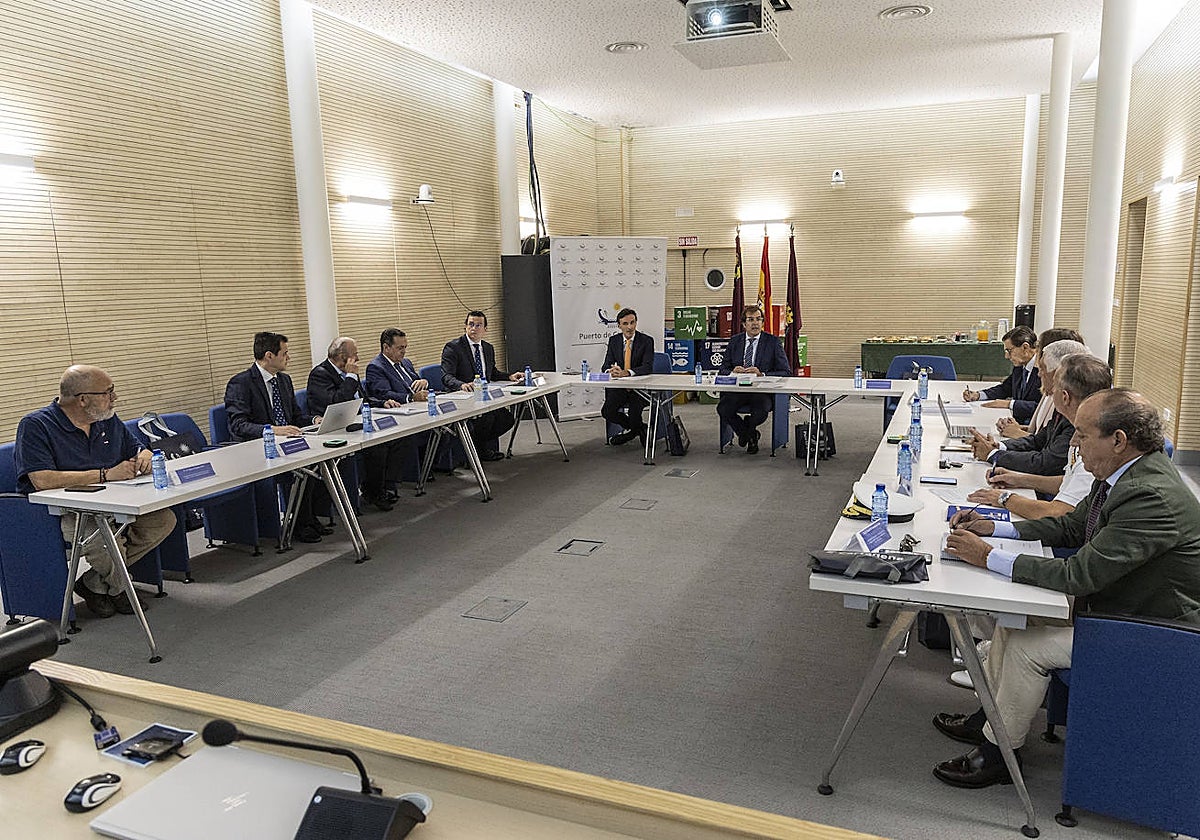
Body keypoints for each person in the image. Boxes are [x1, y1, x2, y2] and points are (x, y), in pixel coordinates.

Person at [936, 389, 1200, 788]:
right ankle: (989, 718)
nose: (1073, 443)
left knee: (1028, 649)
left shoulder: (1150, 496)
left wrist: (987, 556)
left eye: (1081, 433)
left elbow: (1079, 576)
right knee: (1015, 620)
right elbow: (1072, 527)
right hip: (1118, 606)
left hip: (1155, 630)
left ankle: (999, 756)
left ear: (1118, 440)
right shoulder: (1124, 473)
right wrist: (995, 527)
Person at [13, 365, 176, 618]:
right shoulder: (36, 425)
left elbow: (136, 447)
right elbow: (41, 479)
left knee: (163, 520)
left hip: (114, 499)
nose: (114, 398)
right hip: (63, 508)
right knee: (101, 537)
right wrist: (105, 474)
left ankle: (94, 583)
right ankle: (121, 589)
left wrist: (144, 455)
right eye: (108, 392)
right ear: (83, 399)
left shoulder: (106, 419)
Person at [967, 349, 1107, 519]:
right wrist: (1019, 479)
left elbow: (1059, 512)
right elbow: (1070, 482)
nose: (1048, 391)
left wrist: (1005, 498)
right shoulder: (1076, 425)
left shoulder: (1091, 442)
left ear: (1065, 397)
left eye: (1054, 385)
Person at [224, 332, 325, 543]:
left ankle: (307, 518)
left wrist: (314, 420)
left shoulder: (284, 381)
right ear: (269, 355)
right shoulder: (241, 383)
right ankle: (299, 524)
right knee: (299, 468)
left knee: (318, 460)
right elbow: (238, 425)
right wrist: (272, 429)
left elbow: (296, 417)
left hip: (287, 442)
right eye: (285, 353)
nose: (289, 358)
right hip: (257, 447)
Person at [967, 339, 1086, 476]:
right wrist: (999, 446)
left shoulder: (1078, 417)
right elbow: (1038, 441)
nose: (1039, 374)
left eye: (1042, 369)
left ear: (1057, 374)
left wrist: (994, 455)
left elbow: (1046, 463)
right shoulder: (1064, 411)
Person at [308, 336, 399, 512]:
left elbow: (361, 399)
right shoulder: (320, 374)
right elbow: (337, 403)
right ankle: (373, 492)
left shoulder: (351, 372)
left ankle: (383, 488)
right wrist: (350, 377)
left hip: (358, 422)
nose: (357, 359)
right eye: (354, 355)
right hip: (335, 429)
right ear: (342, 357)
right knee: (377, 447)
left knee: (397, 438)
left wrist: (381, 402)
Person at [440, 311, 524, 461]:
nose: (474, 328)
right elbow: (447, 377)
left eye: (478, 325)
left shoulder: (487, 348)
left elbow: (492, 373)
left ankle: (477, 447)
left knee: (507, 418)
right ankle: (478, 452)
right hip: (464, 397)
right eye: (471, 324)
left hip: (486, 395)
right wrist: (462, 385)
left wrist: (509, 376)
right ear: (465, 327)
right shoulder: (453, 347)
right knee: (488, 417)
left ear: (485, 329)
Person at [716, 305, 790, 454]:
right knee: (723, 408)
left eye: (758, 319)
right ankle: (750, 435)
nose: (755, 323)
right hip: (738, 390)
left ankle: (747, 432)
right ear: (744, 324)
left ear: (762, 322)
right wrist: (732, 371)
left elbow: (785, 372)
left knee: (760, 412)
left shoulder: (773, 342)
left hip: (761, 391)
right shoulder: (735, 341)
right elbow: (722, 369)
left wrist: (762, 374)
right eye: (750, 320)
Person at [995, 328, 1084, 440]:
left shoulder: (1067, 403)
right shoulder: (1051, 390)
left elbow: (1049, 449)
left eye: (1039, 350)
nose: (1036, 353)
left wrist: (1018, 434)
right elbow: (1041, 435)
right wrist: (1017, 429)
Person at [599, 307, 655, 446]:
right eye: (625, 324)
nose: (629, 327)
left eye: (632, 322)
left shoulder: (647, 341)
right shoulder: (614, 341)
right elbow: (605, 365)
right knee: (607, 411)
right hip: (621, 388)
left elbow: (647, 367)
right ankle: (640, 429)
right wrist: (611, 371)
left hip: (640, 389)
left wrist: (627, 372)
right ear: (619, 325)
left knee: (635, 413)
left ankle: (631, 432)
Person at [963, 325, 1040, 425]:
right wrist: (978, 395)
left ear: (1025, 347)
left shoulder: (1043, 370)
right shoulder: (1020, 366)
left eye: (1009, 351)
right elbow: (1005, 388)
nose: (1006, 356)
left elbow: (1041, 408)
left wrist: (1009, 404)